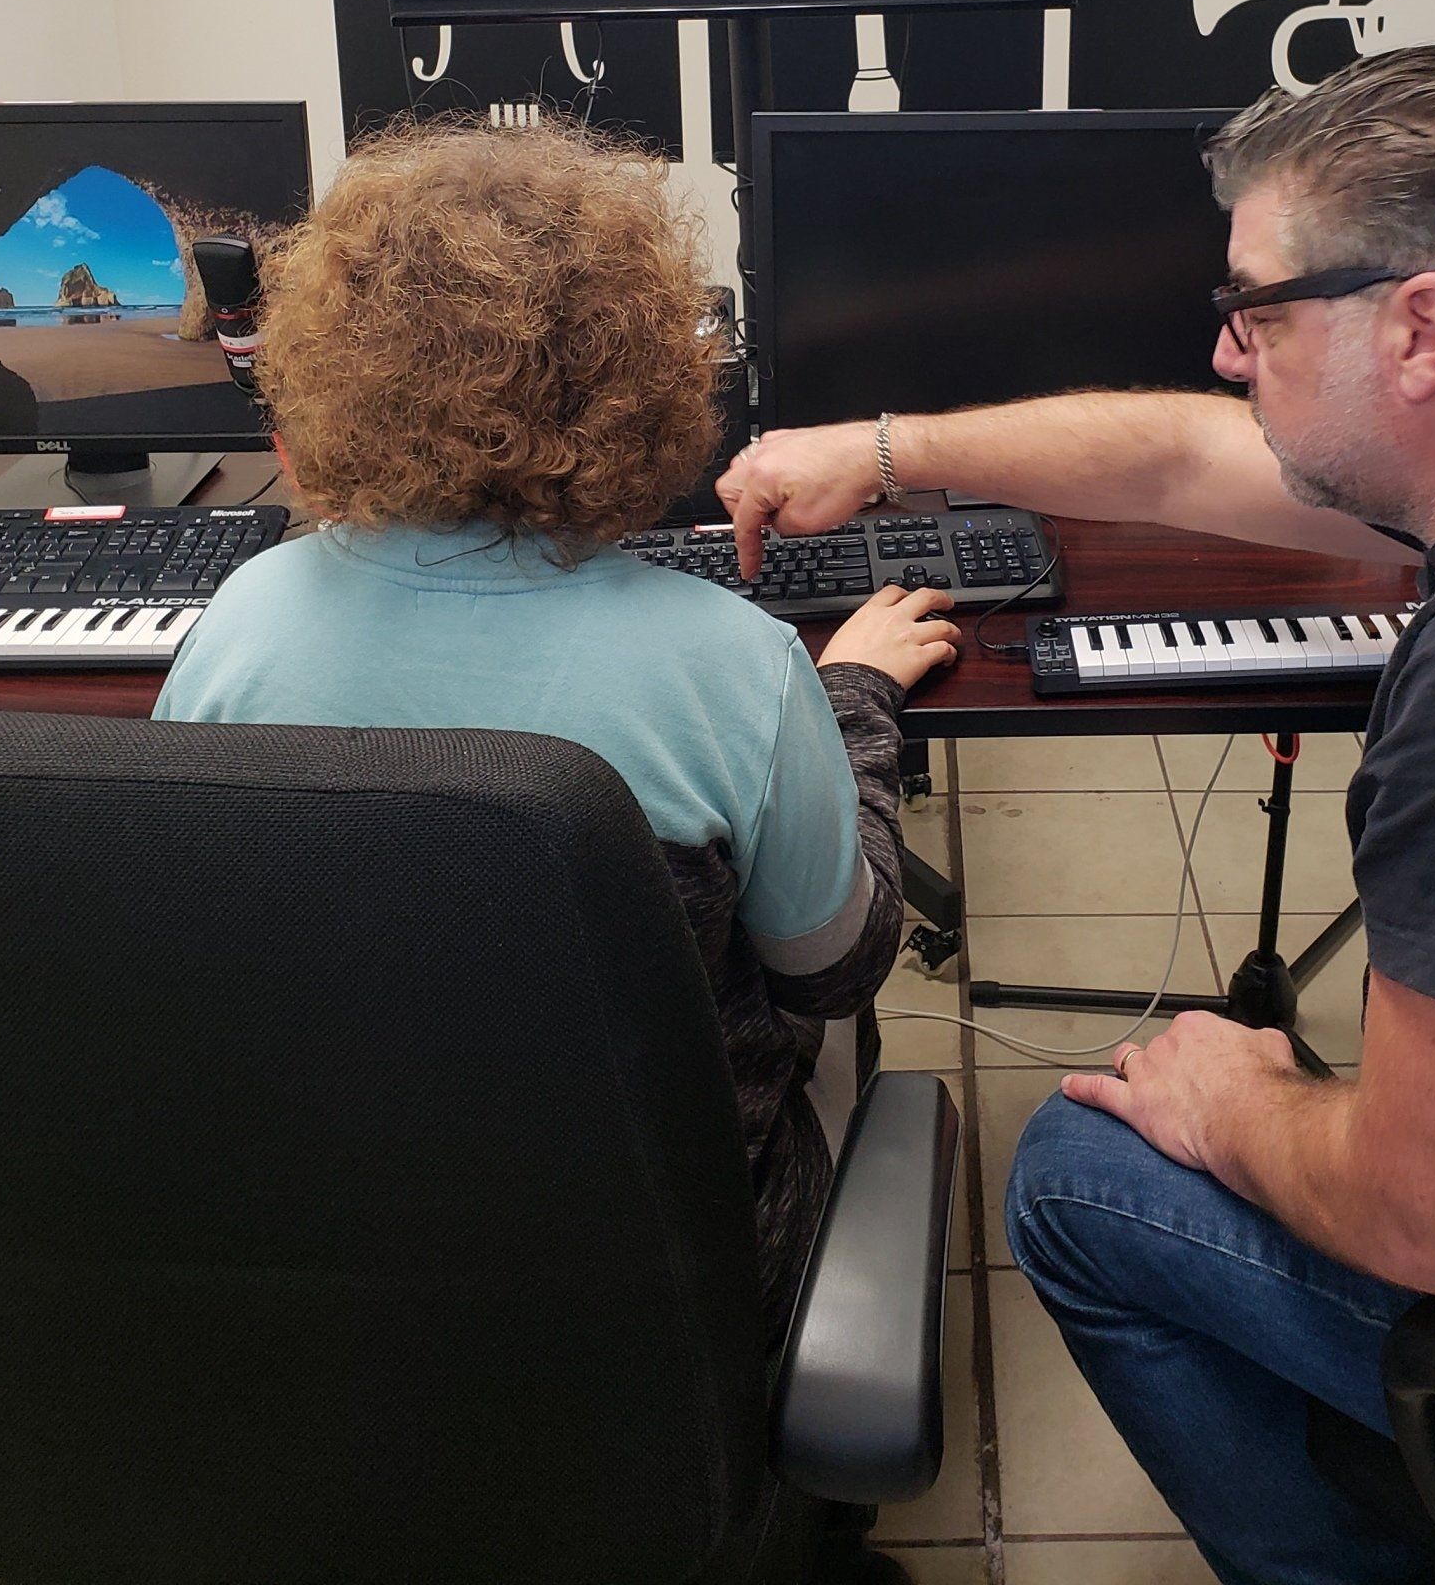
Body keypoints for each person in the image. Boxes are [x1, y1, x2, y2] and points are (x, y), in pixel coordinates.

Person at [718, 46, 1435, 1583]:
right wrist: (883, 453)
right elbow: (1172, 454)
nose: (1224, 355)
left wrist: (1231, 1103)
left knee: (1081, 1178)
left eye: (1255, 311)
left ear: (1422, 328)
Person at [156, 114, 960, 1340]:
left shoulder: (241, 620)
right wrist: (850, 695)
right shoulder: (733, 666)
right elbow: (838, 968)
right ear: (641, 375)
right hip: (675, 1281)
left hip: (338, 1259)